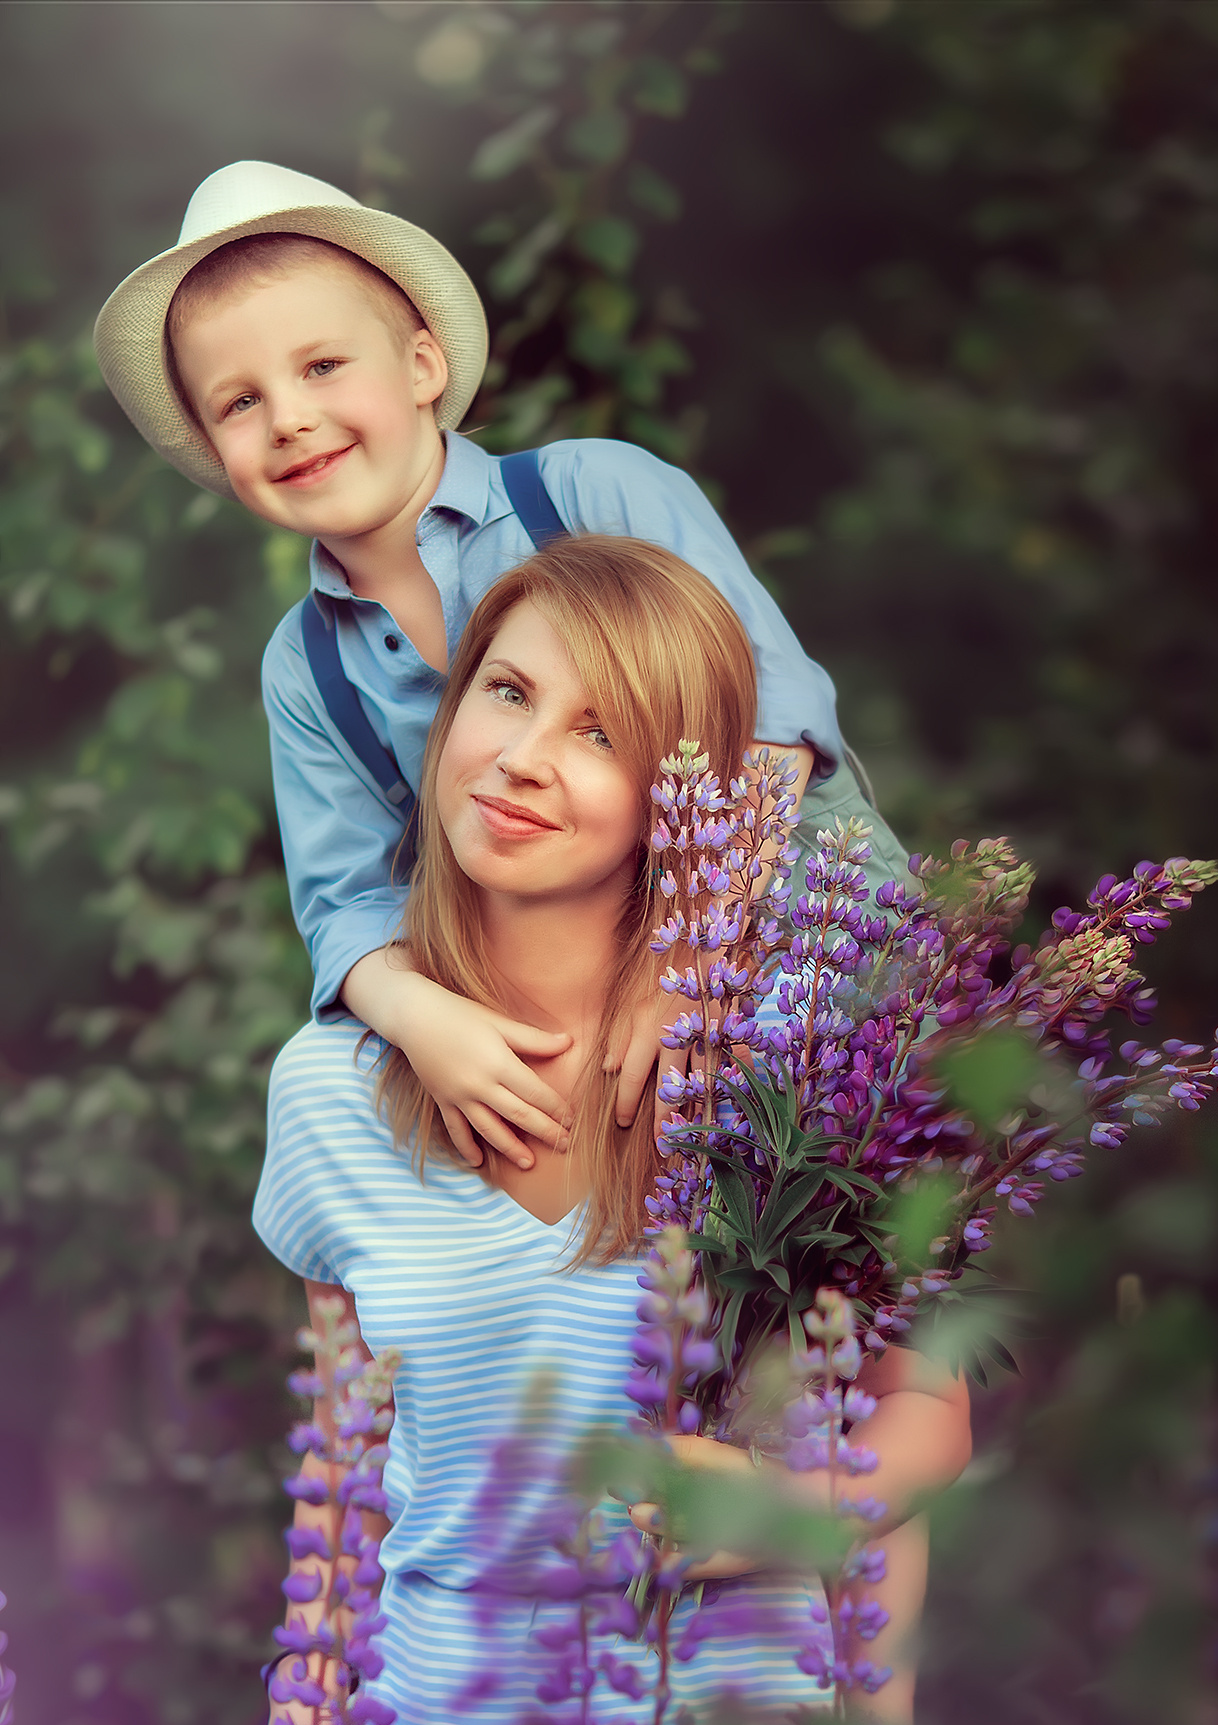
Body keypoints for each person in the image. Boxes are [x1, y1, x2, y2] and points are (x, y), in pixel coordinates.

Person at [194, 537, 970, 1725]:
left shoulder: (798, 1067)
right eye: (503, 693)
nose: (524, 756)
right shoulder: (329, 1089)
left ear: (687, 799)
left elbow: (926, 1429)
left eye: (601, 732)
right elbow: (348, 1479)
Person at [93, 159, 909, 1181]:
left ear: (424, 366)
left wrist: (692, 956)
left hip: (795, 947)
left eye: (322, 367)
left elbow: (773, 718)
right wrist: (421, 1016)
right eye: (238, 402)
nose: (288, 419)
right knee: (654, 1306)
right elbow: (346, 901)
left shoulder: (592, 493)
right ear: (214, 451)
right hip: (582, 1034)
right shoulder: (307, 666)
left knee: (857, 1276)